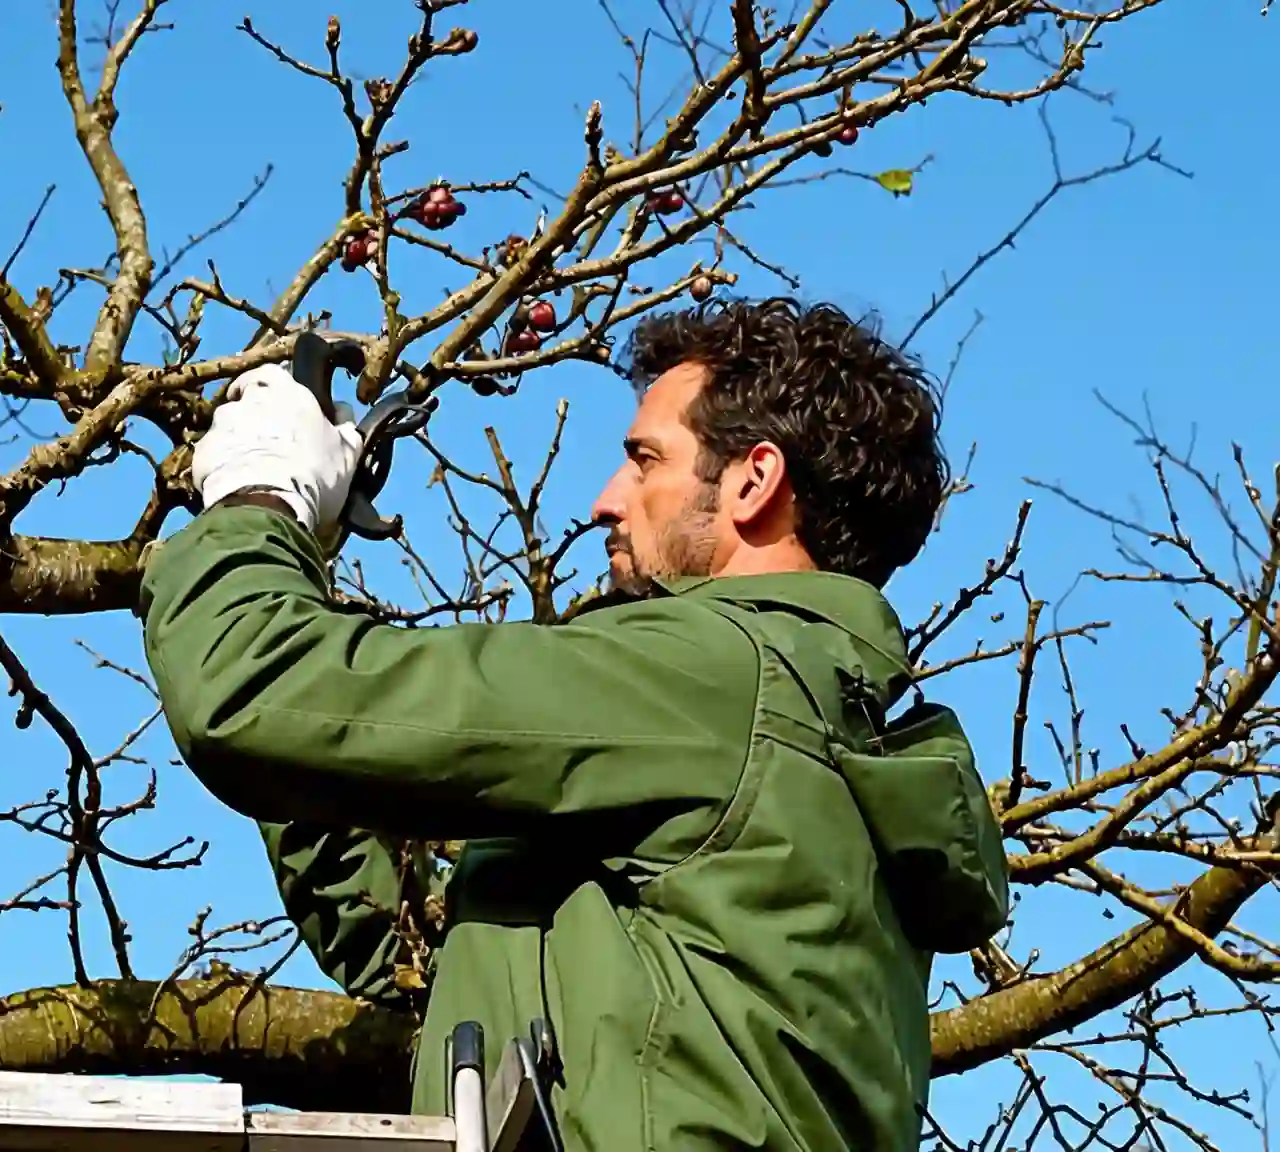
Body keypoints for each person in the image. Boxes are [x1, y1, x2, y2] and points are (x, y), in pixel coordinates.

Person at [136, 297, 1011, 1152]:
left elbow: (249, 686)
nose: (605, 499)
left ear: (754, 481)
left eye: (645, 460)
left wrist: (261, 498)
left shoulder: (710, 674)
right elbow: (416, 954)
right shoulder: (804, 728)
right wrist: (316, 736)